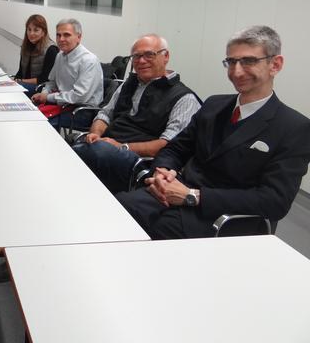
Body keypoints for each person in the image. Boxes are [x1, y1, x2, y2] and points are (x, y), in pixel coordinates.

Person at [117, 26, 310, 239]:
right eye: (231, 62)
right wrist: (163, 172)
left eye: (248, 61)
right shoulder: (214, 105)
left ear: (275, 64)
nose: (236, 72)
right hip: (171, 194)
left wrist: (193, 196)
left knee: (136, 235)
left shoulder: (294, 127)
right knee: (116, 209)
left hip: (220, 218)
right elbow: (176, 148)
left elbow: (274, 201)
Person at [73, 34, 200, 194]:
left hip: (139, 161)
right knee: (76, 147)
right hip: (106, 146)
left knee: (84, 154)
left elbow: (168, 145)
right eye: (136, 56)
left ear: (166, 56)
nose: (141, 61)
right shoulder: (129, 84)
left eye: (149, 55)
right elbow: (105, 114)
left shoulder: (184, 98)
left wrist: (121, 147)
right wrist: (95, 133)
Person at [31, 18, 103, 128]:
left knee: (40, 123)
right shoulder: (60, 55)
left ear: (79, 37)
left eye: (66, 35)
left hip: (82, 110)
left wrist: (48, 97)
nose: (61, 39)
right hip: (63, 103)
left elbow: (79, 96)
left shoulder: (89, 61)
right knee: (31, 115)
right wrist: (44, 94)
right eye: (58, 35)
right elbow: (52, 82)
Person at [14, 14, 59, 97]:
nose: (31, 33)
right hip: (24, 83)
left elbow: (45, 78)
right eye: (29, 29)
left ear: (43, 32)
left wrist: (21, 81)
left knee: (14, 89)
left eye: (36, 30)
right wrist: (14, 80)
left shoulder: (51, 49)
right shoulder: (25, 46)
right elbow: (20, 72)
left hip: (42, 87)